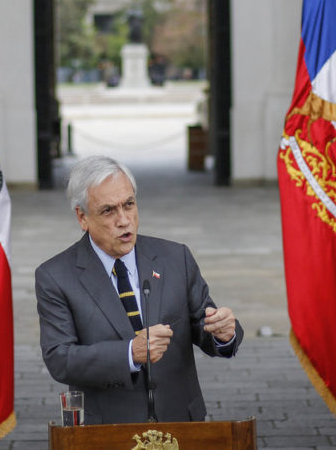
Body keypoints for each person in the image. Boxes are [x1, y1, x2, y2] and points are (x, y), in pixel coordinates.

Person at [35, 155, 243, 424]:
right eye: (108, 211)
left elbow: (205, 324)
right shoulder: (56, 276)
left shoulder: (174, 258)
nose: (124, 220)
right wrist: (129, 353)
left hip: (180, 423)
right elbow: (60, 358)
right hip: (107, 429)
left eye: (129, 205)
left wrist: (224, 334)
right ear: (82, 217)